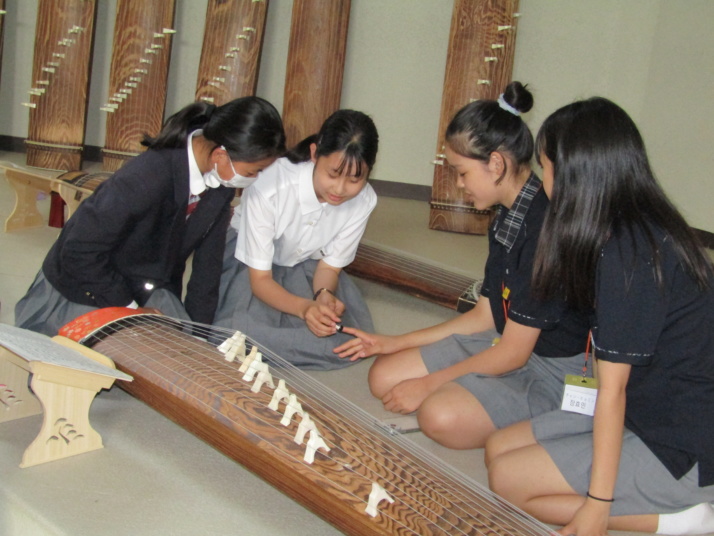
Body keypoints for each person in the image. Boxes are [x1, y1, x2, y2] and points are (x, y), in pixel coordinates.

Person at [485, 97, 714, 536]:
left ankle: (682, 520)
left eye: (546, 167)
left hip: (682, 440)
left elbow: (612, 391)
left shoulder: (629, 254)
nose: (541, 178)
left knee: (509, 480)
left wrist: (598, 504)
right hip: (646, 408)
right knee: (499, 448)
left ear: (576, 177)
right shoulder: (627, 226)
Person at [334, 82, 590, 449]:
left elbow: (515, 354)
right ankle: (473, 387)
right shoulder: (506, 213)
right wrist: (393, 342)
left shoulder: (544, 231)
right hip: (504, 338)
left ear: (496, 164)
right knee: (384, 377)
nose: (458, 184)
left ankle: (535, 411)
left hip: (549, 366)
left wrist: (430, 383)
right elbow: (485, 317)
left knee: (439, 415)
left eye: (462, 172)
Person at [15, 96, 286, 336]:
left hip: (145, 284)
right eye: (252, 172)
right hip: (86, 284)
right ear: (220, 155)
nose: (252, 179)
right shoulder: (148, 175)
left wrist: (198, 335)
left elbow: (207, 269)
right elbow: (78, 252)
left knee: (179, 354)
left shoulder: (220, 186)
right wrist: (129, 308)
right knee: (105, 367)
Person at [212, 109, 379, 370]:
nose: (340, 189)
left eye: (354, 179)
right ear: (314, 154)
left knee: (343, 340)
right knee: (238, 333)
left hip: (305, 265)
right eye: (333, 174)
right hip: (252, 267)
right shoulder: (270, 184)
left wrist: (323, 295)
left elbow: (329, 266)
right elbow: (261, 280)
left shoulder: (365, 200)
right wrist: (305, 309)